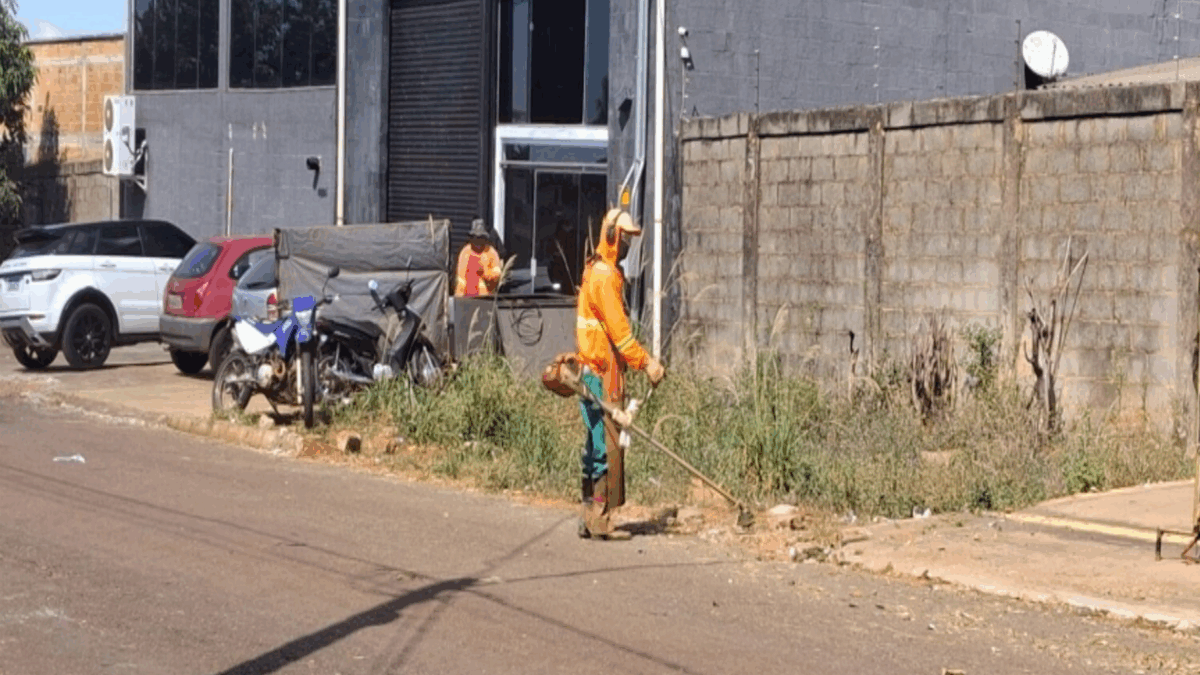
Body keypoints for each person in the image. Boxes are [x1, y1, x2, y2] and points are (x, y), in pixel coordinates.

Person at [574, 207, 666, 540]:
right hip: (603, 374)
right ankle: (599, 518)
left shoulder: (595, 271)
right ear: (612, 235)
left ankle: (589, 516)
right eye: (625, 236)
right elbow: (621, 336)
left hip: (589, 371)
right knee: (606, 450)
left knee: (595, 443)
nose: (628, 243)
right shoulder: (605, 277)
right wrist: (648, 364)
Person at [455, 218, 503, 297]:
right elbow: (460, 277)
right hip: (466, 297)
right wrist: (459, 296)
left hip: (483, 297)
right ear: (472, 237)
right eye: (476, 237)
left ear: (484, 238)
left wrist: (485, 274)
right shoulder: (465, 252)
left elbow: (497, 273)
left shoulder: (490, 252)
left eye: (480, 237)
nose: (478, 240)